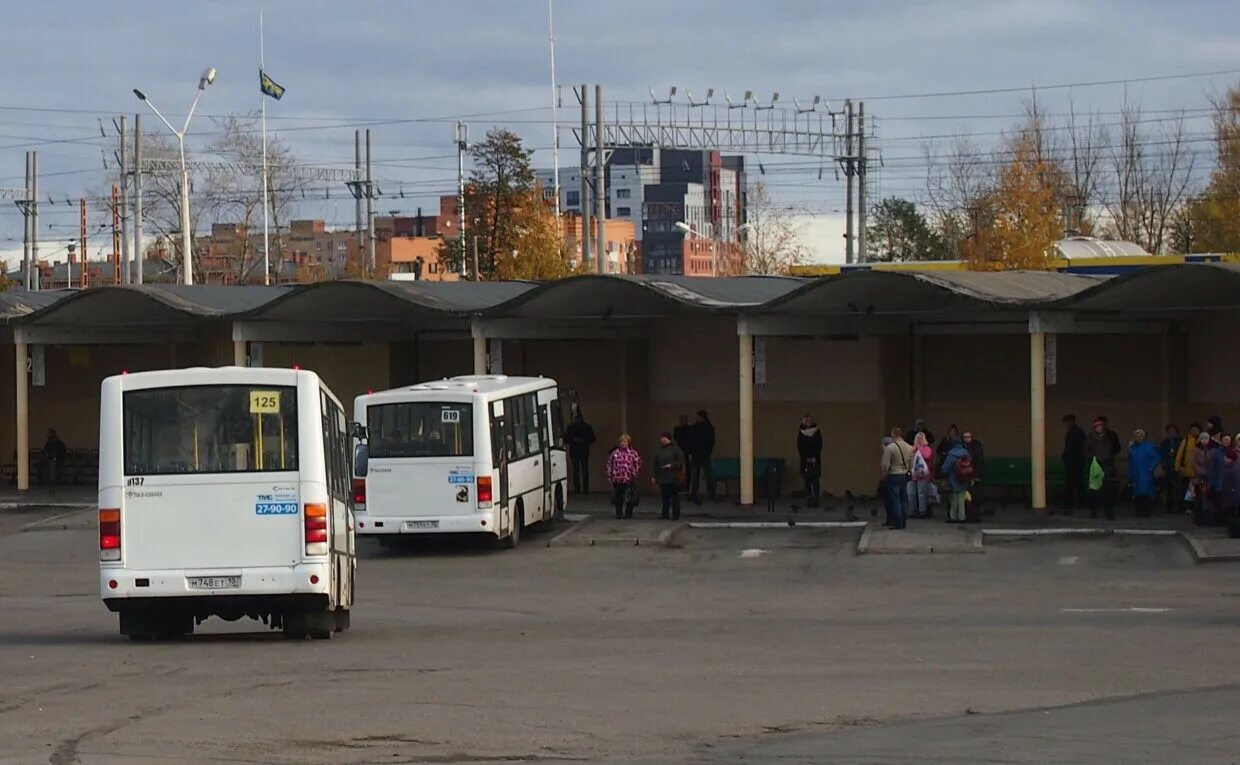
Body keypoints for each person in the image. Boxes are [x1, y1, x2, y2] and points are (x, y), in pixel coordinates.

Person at [1085, 416, 1121, 520]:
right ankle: (1094, 513)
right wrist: (1092, 459)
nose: (1098, 428)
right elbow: (1086, 451)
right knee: (1094, 489)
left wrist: (1109, 455)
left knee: (1109, 490)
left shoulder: (1110, 436)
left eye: (1100, 426)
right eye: (1096, 426)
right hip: (1095, 465)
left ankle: (1109, 513)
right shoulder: (1090, 438)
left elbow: (1117, 448)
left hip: (1108, 464)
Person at [880, 427, 915, 530]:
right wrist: (908, 470)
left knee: (895, 499)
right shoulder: (909, 447)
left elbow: (886, 465)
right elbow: (911, 462)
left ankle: (897, 523)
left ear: (893, 434)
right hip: (904, 474)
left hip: (893, 474)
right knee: (904, 498)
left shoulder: (890, 448)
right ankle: (903, 522)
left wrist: (884, 473)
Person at [605, 435, 642, 520]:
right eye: (621, 442)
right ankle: (619, 513)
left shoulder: (633, 453)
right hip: (617, 479)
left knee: (629, 497)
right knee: (618, 497)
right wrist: (609, 476)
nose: (622, 443)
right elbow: (609, 465)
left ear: (628, 443)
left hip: (629, 479)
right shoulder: (615, 453)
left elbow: (638, 464)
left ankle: (628, 513)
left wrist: (634, 474)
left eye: (624, 442)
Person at [1127, 428, 1160, 518]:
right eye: (1136, 435)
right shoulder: (1132, 447)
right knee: (1137, 493)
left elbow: (1157, 457)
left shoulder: (1149, 446)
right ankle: (1138, 511)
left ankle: (1147, 511)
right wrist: (1130, 473)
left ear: (1144, 436)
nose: (1138, 437)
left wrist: (1151, 468)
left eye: (1140, 435)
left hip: (1146, 472)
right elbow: (1130, 460)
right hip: (1135, 472)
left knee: (1146, 492)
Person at [652, 432, 686, 521]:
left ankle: (675, 515)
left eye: (664, 438)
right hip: (662, 477)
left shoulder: (676, 449)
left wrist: (672, 465)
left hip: (673, 476)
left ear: (669, 439)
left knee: (674, 497)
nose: (662, 440)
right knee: (665, 497)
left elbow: (681, 460)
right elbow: (655, 464)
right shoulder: (659, 450)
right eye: (661, 438)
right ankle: (665, 514)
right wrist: (654, 476)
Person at [940, 436, 972, 523]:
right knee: (961, 498)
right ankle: (962, 516)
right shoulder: (966, 453)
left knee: (954, 499)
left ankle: (953, 516)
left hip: (953, 479)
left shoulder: (951, 454)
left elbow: (945, 468)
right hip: (964, 478)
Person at [563, 410, 597, 495]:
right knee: (578, 470)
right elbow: (566, 439)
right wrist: (575, 440)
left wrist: (582, 440)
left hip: (580, 451)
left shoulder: (576, 427)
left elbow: (593, 439)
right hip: (579, 451)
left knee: (581, 470)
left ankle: (582, 489)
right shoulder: (575, 427)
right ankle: (580, 489)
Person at [1060, 414, 1088, 513]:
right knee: (1077, 483)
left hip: (1073, 461)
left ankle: (1071, 502)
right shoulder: (1078, 431)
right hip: (1077, 461)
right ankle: (1080, 502)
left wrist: (1065, 457)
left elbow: (1071, 447)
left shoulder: (1074, 432)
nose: (1066, 424)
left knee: (1071, 483)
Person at [1174, 423, 1203, 515]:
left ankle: (1197, 507)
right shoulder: (1186, 440)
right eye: (1193, 429)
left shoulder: (1202, 440)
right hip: (1187, 469)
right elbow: (1180, 454)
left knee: (1198, 490)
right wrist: (1178, 467)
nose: (1194, 431)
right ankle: (1186, 507)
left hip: (1198, 471)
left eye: (1196, 429)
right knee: (1186, 490)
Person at [688, 410, 715, 504]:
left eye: (698, 417)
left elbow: (710, 442)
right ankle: (694, 494)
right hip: (698, 455)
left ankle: (710, 494)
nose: (697, 418)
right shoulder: (699, 427)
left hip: (702, 455)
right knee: (696, 476)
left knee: (706, 476)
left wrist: (706, 452)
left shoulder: (706, 428)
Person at [797, 415, 823, 508]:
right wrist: (805, 457)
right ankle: (808, 501)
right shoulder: (801, 433)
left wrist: (814, 456)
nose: (809, 422)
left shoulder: (817, 431)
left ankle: (815, 501)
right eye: (807, 420)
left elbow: (819, 445)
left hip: (815, 460)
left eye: (810, 420)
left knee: (815, 482)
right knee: (807, 482)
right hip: (805, 461)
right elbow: (799, 446)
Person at [907, 432, 934, 519]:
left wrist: (920, 448)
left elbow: (927, 456)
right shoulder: (911, 448)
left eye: (921, 438)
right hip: (913, 474)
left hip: (923, 475)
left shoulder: (927, 448)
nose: (919, 440)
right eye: (917, 438)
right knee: (911, 494)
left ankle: (922, 511)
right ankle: (912, 511)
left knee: (922, 494)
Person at [1158, 424, 1183, 515]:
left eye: (1173, 430)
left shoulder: (1180, 441)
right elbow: (1161, 453)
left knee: (1179, 487)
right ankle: (1169, 506)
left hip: (1178, 466)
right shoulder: (1165, 442)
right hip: (1168, 466)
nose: (1171, 432)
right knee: (1169, 487)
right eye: (1169, 430)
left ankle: (1180, 506)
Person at [961, 430, 985, 518]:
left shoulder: (976, 447)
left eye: (968, 437)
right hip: (965, 475)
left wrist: (977, 475)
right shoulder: (962, 447)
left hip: (974, 474)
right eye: (965, 437)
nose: (967, 439)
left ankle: (974, 513)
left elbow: (979, 461)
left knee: (974, 495)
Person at [1191, 432, 1213, 526]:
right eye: (1203, 439)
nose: (1204, 441)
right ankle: (1198, 519)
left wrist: (1209, 472)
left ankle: (1207, 518)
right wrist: (1203, 472)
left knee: (1207, 499)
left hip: (1209, 477)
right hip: (1199, 477)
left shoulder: (1211, 450)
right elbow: (1194, 463)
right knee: (1199, 498)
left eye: (1206, 439)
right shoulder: (1196, 450)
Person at [673, 414, 695, 494]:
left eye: (684, 420)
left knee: (687, 472)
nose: (682, 422)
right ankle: (678, 489)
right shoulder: (677, 429)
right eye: (681, 420)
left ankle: (687, 490)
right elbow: (676, 438)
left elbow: (691, 440)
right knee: (677, 472)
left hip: (687, 453)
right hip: (679, 453)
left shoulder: (690, 429)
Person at [42, 429, 67, 496]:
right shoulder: (48, 443)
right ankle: (49, 486)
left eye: (49, 434)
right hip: (48, 461)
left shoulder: (59, 443)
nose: (48, 435)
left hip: (55, 461)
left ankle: (52, 487)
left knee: (53, 475)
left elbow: (62, 453)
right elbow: (45, 452)